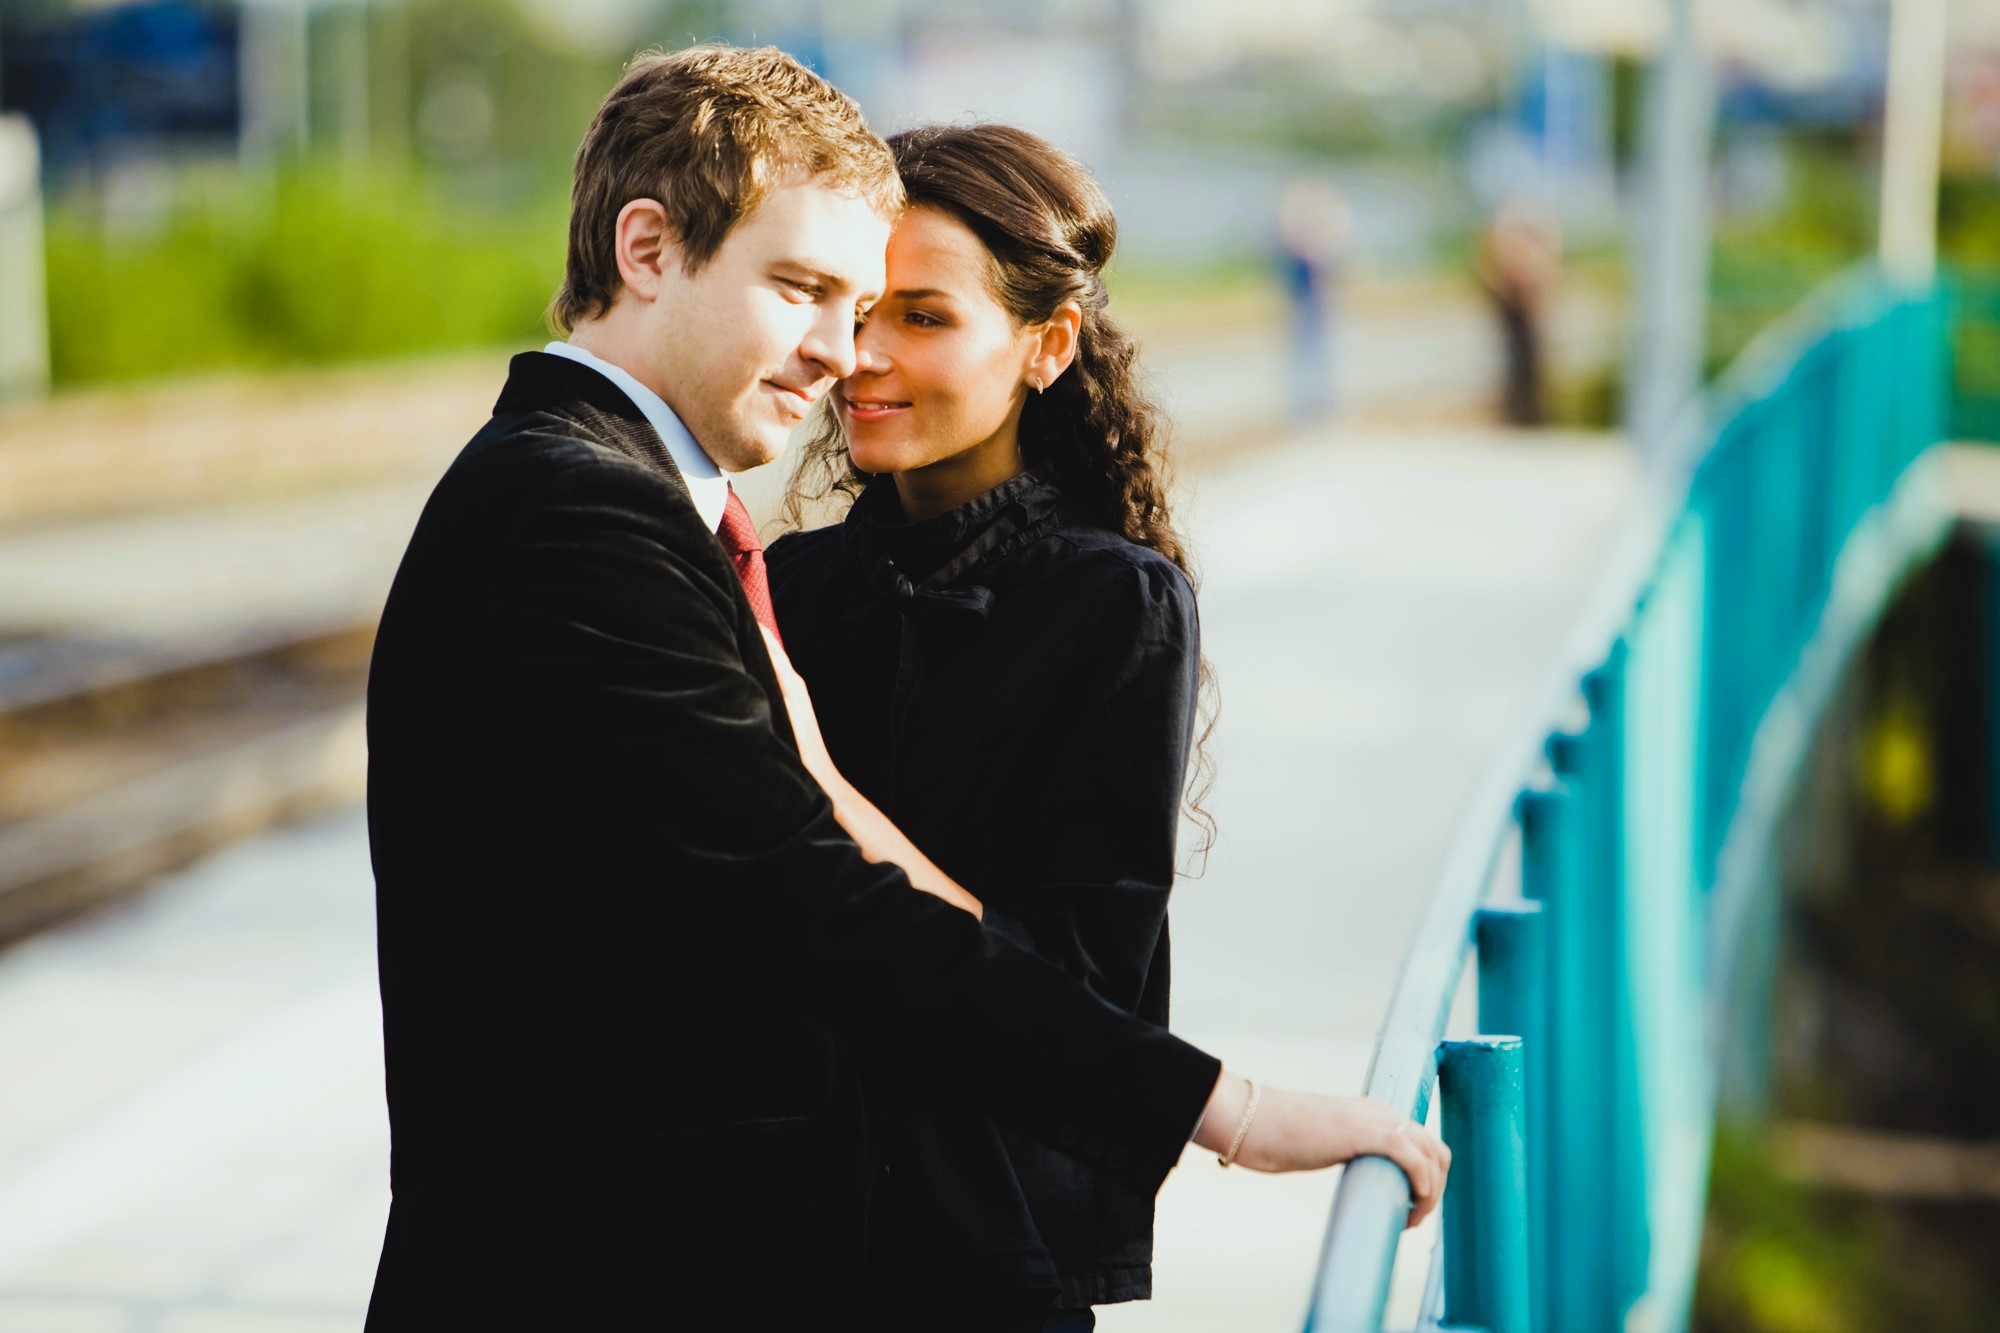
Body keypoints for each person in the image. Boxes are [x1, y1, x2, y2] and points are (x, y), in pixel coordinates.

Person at [363, 46, 1448, 1330]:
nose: (842, 354)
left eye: (881, 306)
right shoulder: (586, 513)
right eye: (806, 291)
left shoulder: (621, 503)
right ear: (646, 250)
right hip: (591, 1264)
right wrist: (1235, 1112)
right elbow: (811, 900)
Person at [765, 122, 1215, 1328]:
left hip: (980, 1235)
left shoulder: (1112, 601)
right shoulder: (789, 584)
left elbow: (1073, 982)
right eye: (854, 309)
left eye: (921, 315)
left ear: (1047, 344)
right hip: (770, 1216)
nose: (861, 356)